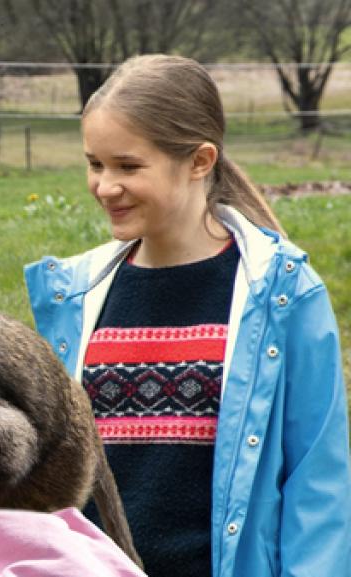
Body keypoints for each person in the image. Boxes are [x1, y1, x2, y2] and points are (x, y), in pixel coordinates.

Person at [24, 54, 350, 577]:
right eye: (95, 164)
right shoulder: (72, 299)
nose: (106, 186)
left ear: (199, 161)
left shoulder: (282, 297)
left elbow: (319, 480)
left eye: (128, 166)